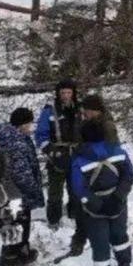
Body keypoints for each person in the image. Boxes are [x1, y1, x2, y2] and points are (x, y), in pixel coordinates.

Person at [70, 120, 133, 266]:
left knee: (99, 240)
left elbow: (78, 187)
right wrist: (118, 196)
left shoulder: (79, 159)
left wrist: (96, 204)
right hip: (118, 201)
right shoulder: (118, 150)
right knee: (120, 235)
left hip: (94, 208)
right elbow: (129, 176)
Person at [36, 78, 86, 255]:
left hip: (77, 157)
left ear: (73, 93)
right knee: (55, 191)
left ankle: (73, 215)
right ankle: (54, 219)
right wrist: (50, 150)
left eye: (69, 92)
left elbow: (88, 130)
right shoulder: (50, 111)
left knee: (76, 190)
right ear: (58, 94)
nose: (65, 95)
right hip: (57, 156)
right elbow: (41, 135)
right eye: (63, 92)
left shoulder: (80, 109)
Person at [0, 108, 44, 266]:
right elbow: (22, 174)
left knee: (12, 224)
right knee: (19, 226)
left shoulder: (4, 136)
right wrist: (34, 190)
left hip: (5, 193)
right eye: (30, 123)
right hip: (18, 194)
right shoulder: (17, 143)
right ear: (23, 124)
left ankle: (21, 254)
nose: (31, 127)